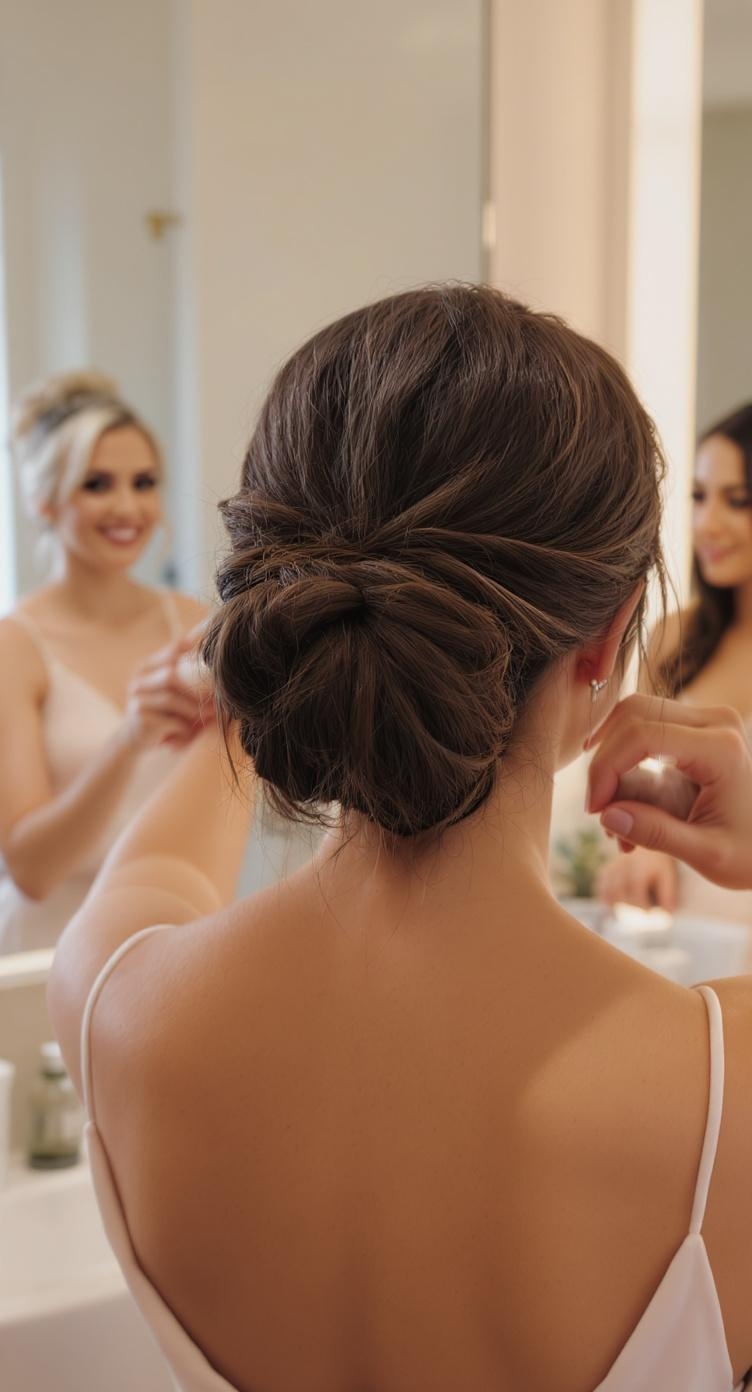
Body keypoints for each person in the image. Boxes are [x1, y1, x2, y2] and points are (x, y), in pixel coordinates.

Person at [49, 289, 752, 1392]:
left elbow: (156, 868)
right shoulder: (722, 1094)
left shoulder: (114, 1008)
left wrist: (252, 674)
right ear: (607, 637)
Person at [0, 371, 208, 954]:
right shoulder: (15, 649)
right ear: (45, 499)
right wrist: (129, 738)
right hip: (46, 949)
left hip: (171, 935)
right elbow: (32, 871)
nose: (128, 506)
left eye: (144, 483)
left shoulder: (193, 628)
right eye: (97, 484)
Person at [596, 404, 752, 921]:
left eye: (739, 501)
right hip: (689, 923)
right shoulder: (674, 638)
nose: (709, 523)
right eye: (699, 497)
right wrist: (642, 848)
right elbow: (645, 782)